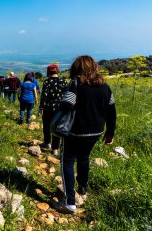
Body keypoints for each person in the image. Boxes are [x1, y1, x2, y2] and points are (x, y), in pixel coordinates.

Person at [52, 55, 116, 214]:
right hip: (96, 132)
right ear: (94, 68)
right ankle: (83, 190)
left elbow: (67, 104)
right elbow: (112, 112)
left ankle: (69, 203)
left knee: (67, 161)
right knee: (84, 158)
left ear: (77, 69)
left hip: (75, 132)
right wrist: (110, 133)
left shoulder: (75, 85)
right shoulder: (106, 87)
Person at [39, 64, 68, 156]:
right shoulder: (63, 81)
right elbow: (66, 95)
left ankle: (47, 143)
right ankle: (55, 149)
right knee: (57, 128)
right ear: (57, 71)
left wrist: (41, 108)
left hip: (48, 108)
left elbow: (44, 96)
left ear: (48, 72)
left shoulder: (47, 82)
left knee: (46, 126)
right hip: (60, 109)